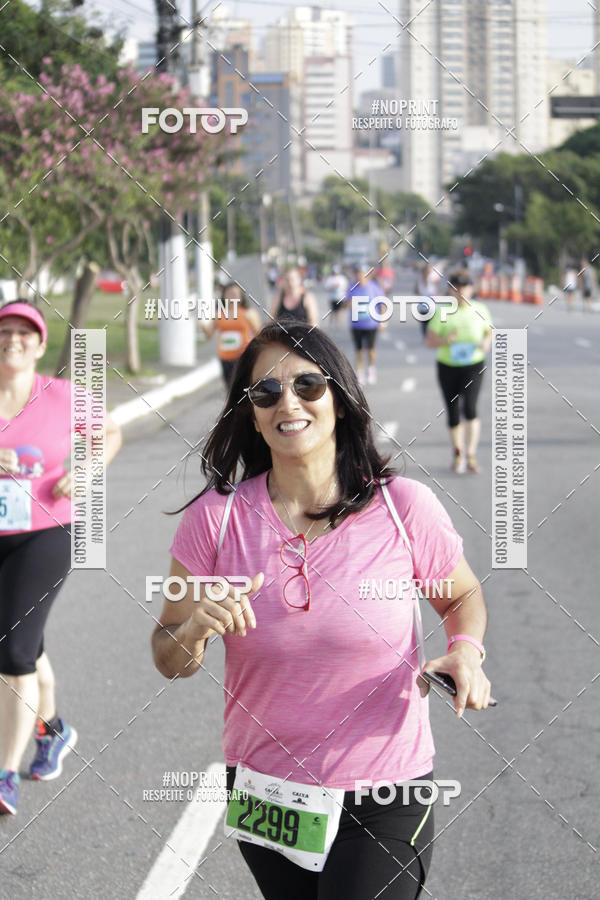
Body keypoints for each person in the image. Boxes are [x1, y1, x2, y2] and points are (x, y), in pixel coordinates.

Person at [152, 321, 492, 900]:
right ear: (251, 413)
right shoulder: (218, 519)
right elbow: (167, 655)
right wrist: (195, 628)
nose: (288, 402)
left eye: (308, 385)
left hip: (385, 787)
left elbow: (460, 597)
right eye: (266, 392)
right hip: (267, 793)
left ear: (339, 395)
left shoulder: (402, 507)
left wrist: (466, 652)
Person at [0, 301, 122, 815]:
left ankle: (5, 774)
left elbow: (109, 433)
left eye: (24, 332)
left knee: (11, 652)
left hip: (47, 532)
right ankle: (53, 729)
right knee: (22, 639)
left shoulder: (63, 395)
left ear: (40, 342)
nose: (13, 340)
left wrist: (88, 471)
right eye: (4, 331)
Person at [425, 270, 492, 474]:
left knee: (470, 408)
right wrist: (446, 340)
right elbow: (429, 341)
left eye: (465, 287)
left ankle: (471, 454)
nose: (461, 291)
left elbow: (489, 331)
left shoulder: (480, 309)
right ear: (450, 290)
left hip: (473, 365)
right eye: (456, 287)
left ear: (471, 288)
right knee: (453, 410)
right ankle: (458, 453)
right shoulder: (442, 312)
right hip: (448, 366)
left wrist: (486, 343)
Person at [202, 283, 261, 387]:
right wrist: (203, 325)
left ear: (240, 297)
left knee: (243, 387)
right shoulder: (219, 314)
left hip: (242, 357)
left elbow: (259, 335)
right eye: (229, 294)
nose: (232, 297)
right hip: (225, 358)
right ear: (224, 296)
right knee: (230, 388)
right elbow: (209, 334)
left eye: (235, 294)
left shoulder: (248, 313)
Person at [345, 263, 385, 385]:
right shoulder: (352, 287)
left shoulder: (374, 288)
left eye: (362, 273)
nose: (359, 275)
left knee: (371, 350)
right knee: (358, 351)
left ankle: (371, 369)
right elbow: (345, 304)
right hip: (356, 325)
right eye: (357, 273)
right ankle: (360, 373)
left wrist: (382, 321)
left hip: (371, 324)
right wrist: (349, 303)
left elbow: (382, 305)